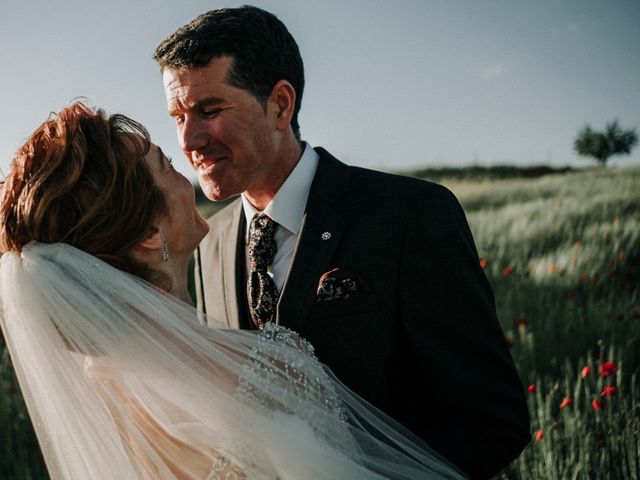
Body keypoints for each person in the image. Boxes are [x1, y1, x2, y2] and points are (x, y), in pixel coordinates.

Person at [153, 6, 531, 479]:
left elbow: (493, 421)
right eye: (178, 116)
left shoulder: (409, 215)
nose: (189, 139)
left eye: (209, 110)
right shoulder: (208, 248)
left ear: (280, 105)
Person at [0, 102, 467, 479]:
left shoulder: (95, 395)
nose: (186, 159)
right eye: (165, 166)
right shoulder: (265, 372)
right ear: (149, 234)